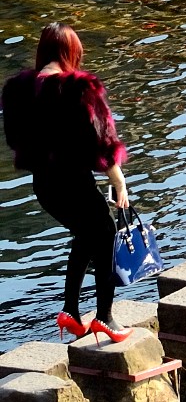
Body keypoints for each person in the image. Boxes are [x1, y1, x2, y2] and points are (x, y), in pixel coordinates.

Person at [2, 25, 131, 341]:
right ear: (70, 53)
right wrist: (120, 183)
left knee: (87, 235)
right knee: (104, 233)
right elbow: (102, 140)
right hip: (74, 180)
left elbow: (14, 138)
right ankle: (105, 318)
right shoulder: (79, 87)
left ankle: (71, 313)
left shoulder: (18, 89)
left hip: (44, 185)